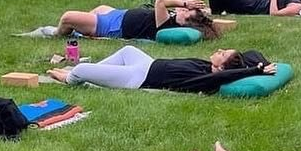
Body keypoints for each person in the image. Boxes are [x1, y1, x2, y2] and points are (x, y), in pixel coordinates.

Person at [47, 46, 277, 93]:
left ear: (222, 67)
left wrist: (254, 72)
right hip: (147, 63)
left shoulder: (206, 78)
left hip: (137, 78)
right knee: (127, 50)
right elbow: (253, 52)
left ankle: (70, 78)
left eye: (223, 54)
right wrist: (262, 64)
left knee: (82, 69)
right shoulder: (209, 66)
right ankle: (94, 73)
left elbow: (229, 75)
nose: (219, 50)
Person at [55, 0, 218, 41]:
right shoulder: (176, 17)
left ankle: (57, 34)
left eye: (186, 13)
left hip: (112, 26)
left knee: (68, 17)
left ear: (185, 24)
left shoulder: (166, 25)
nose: (182, 10)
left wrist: (185, 4)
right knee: (99, 9)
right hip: (118, 14)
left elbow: (160, 1)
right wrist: (192, 5)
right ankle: (79, 30)